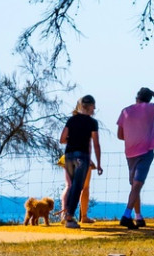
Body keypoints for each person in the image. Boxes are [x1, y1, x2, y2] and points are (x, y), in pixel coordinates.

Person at [114, 86, 154, 229]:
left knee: (135, 185)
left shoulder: (125, 111)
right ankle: (127, 215)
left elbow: (120, 135)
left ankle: (138, 216)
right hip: (145, 151)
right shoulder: (150, 108)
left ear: (137, 97)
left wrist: (132, 137)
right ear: (149, 99)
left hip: (130, 153)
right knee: (137, 184)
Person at [58, 95, 102, 230]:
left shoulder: (72, 120)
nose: (94, 108)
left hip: (69, 155)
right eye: (93, 106)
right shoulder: (92, 123)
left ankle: (66, 214)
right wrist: (99, 163)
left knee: (71, 186)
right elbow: (96, 144)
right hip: (82, 157)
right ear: (90, 106)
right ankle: (69, 217)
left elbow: (62, 139)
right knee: (78, 186)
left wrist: (72, 140)